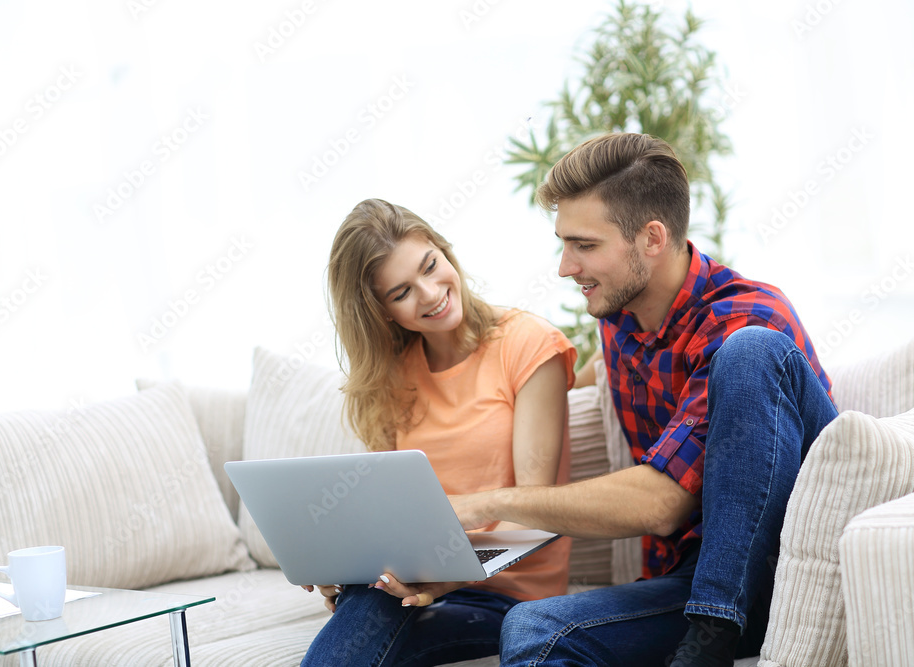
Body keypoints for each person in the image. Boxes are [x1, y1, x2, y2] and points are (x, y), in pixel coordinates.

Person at [449, 133, 839, 667]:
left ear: (652, 238)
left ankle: (709, 639)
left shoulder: (743, 315)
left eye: (584, 245)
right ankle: (707, 630)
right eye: (563, 243)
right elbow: (561, 390)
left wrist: (493, 501)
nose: (565, 267)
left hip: (787, 566)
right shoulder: (620, 323)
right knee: (534, 629)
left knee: (752, 352)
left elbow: (661, 503)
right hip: (690, 580)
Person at [299, 198, 578, 667]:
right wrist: (344, 565)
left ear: (445, 252)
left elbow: (535, 510)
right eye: (401, 292)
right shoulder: (392, 377)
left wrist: (444, 577)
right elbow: (385, 518)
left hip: (506, 598)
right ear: (381, 311)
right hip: (412, 588)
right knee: (371, 597)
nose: (430, 294)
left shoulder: (528, 344)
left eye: (431, 266)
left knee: (369, 625)